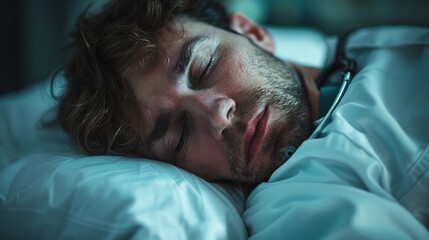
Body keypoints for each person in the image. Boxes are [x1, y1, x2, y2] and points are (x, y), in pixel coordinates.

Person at [57, 0, 429, 234]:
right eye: (180, 134)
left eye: (205, 67)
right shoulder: (295, 207)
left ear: (253, 32)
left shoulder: (389, 49)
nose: (217, 116)